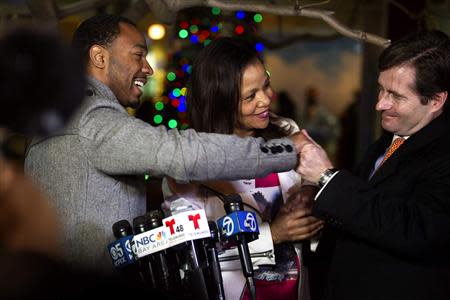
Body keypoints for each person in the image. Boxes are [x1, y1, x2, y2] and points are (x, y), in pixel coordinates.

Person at [24, 14, 308, 273]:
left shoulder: (62, 114)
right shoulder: (89, 117)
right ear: (99, 57)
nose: (148, 68)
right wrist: (291, 150)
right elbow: (182, 155)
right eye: (138, 55)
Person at [162, 37, 323, 300]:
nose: (266, 100)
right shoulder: (189, 158)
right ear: (221, 102)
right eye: (251, 96)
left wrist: (309, 193)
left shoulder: (286, 132)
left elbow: (313, 180)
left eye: (266, 85)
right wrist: (273, 235)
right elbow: (189, 253)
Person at [297, 30, 450, 300]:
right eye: (381, 88)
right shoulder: (394, 136)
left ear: (436, 101)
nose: (380, 104)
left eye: (396, 95)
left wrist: (327, 177)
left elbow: (416, 229)